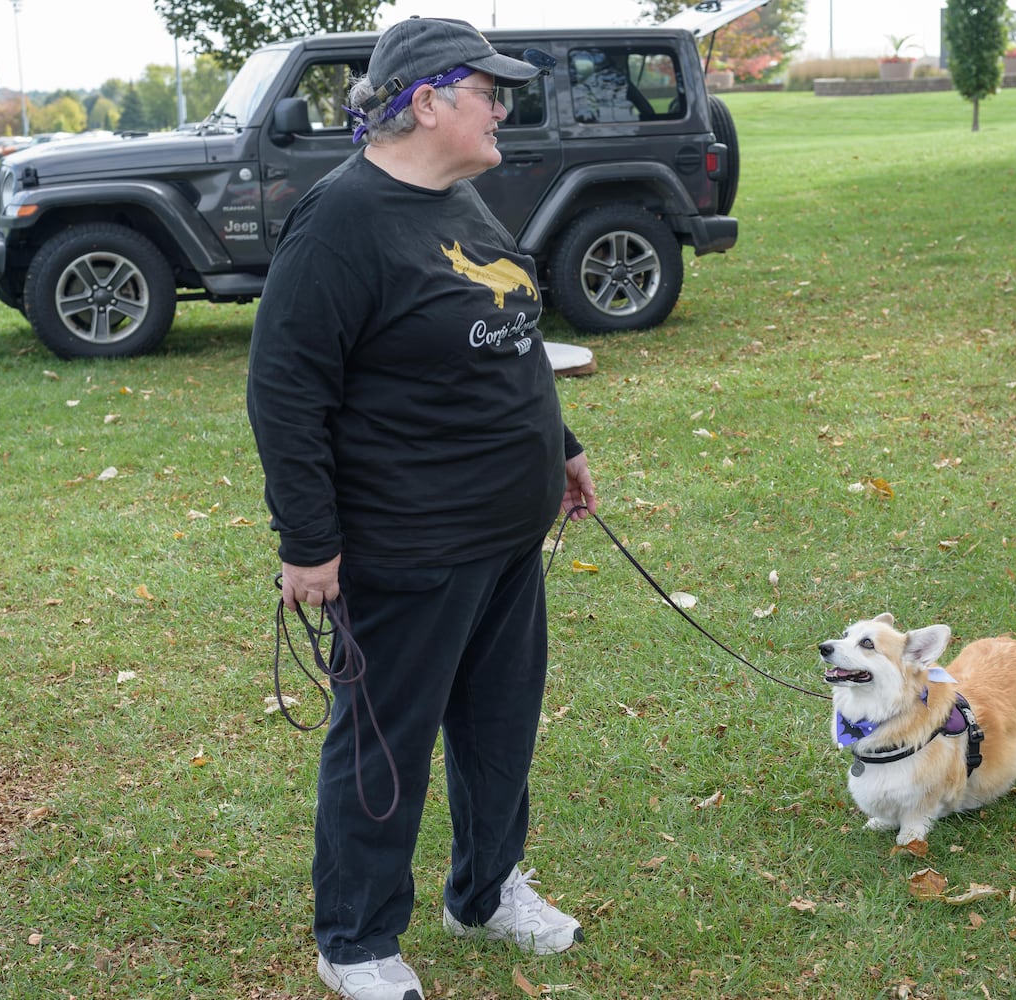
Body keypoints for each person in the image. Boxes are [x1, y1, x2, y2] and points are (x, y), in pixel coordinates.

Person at [245, 16, 597, 1000]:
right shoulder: (341, 221)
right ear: (429, 100)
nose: (505, 110)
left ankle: (483, 894)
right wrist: (308, 542)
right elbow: (286, 390)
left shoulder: (460, 199)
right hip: (409, 544)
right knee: (383, 744)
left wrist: (558, 448)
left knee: (499, 729)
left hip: (503, 539)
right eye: (492, 92)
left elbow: (511, 335)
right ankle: (354, 939)